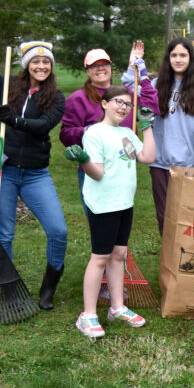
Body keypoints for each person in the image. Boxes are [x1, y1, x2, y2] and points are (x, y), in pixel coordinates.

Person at [0, 0, 68, 311]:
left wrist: (14, 120)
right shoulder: (7, 85)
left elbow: (42, 124)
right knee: (3, 234)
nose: (42, 65)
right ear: (27, 64)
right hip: (4, 172)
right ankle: (9, 292)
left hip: (35, 174)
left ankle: (48, 287)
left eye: (46, 62)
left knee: (58, 231)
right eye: (36, 61)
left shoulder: (57, 97)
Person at [63, 86, 156, 338]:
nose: (123, 107)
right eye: (117, 102)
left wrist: (146, 126)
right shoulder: (95, 133)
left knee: (119, 254)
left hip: (124, 203)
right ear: (104, 104)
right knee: (100, 258)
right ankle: (88, 315)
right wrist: (84, 160)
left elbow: (147, 156)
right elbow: (98, 173)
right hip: (103, 204)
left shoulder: (127, 133)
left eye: (128, 104)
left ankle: (117, 307)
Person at [60, 43, 159, 219]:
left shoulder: (124, 94)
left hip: (123, 167)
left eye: (104, 64)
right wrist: (90, 130)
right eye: (94, 65)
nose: (100, 69)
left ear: (110, 67)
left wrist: (143, 77)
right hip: (95, 167)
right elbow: (66, 134)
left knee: (122, 220)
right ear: (87, 70)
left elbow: (151, 109)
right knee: (101, 224)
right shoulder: (78, 99)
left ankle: (122, 248)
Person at [143, 37, 194, 235]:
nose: (178, 59)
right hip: (160, 162)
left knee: (187, 216)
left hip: (188, 164)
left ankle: (185, 260)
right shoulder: (154, 85)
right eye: (174, 55)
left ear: (190, 58)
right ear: (168, 58)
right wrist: (134, 67)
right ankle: (168, 262)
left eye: (183, 55)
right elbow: (131, 97)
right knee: (164, 216)